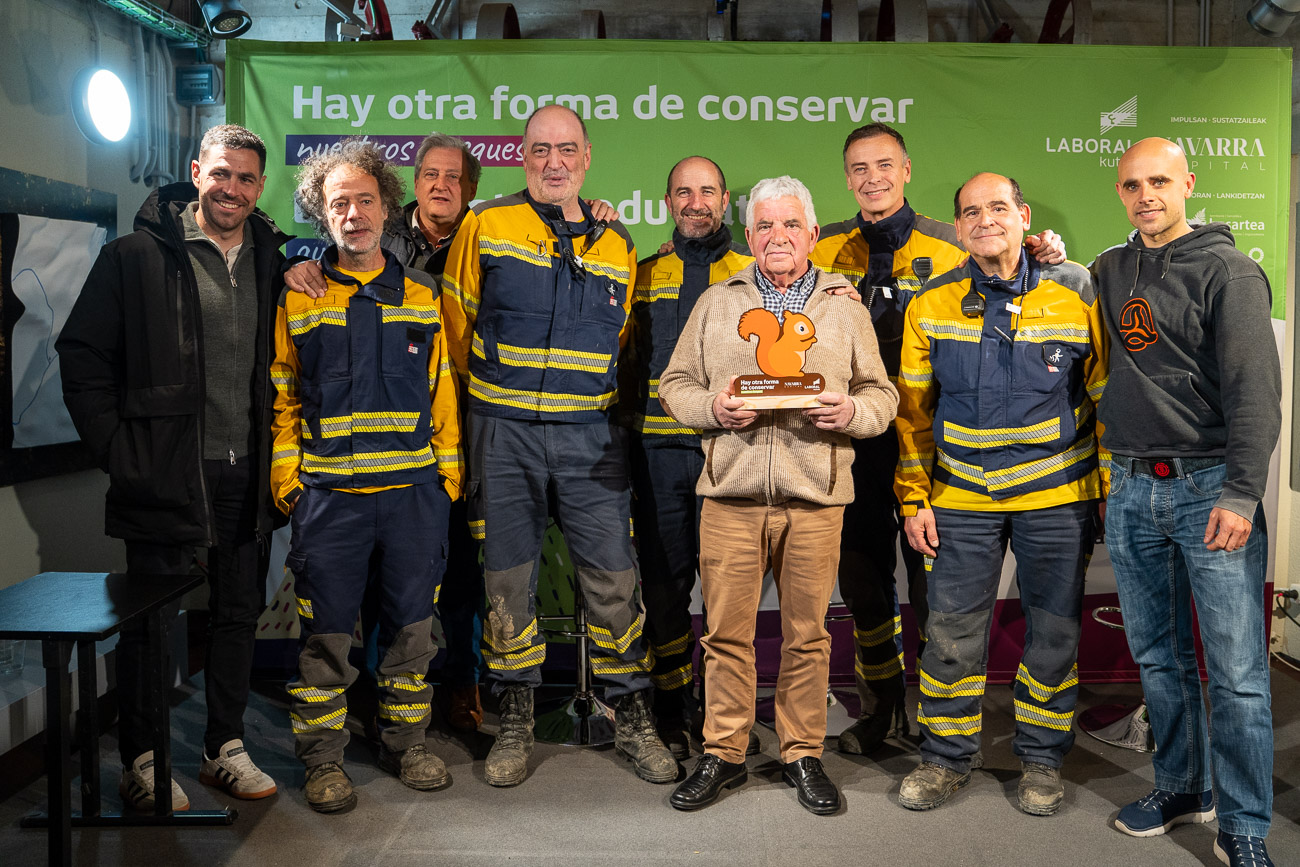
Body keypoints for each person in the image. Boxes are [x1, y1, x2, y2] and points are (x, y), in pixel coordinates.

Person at [810, 123, 1066, 756]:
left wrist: (1046, 251)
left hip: (935, 440)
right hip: (855, 440)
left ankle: (934, 711)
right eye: (859, 168)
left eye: (884, 165)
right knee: (864, 583)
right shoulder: (823, 249)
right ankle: (880, 709)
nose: (872, 178)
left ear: (906, 169)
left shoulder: (951, 240)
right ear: (847, 178)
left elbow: (1011, 266)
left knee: (935, 590)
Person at [442, 104, 675, 787]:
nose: (553, 161)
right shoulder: (485, 224)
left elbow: (624, 347)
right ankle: (513, 716)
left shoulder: (617, 243)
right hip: (505, 435)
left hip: (590, 438)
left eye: (566, 149)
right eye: (540, 148)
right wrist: (492, 404)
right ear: (523, 156)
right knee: (508, 580)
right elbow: (455, 325)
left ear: (586, 157)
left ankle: (631, 713)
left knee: (613, 580)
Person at [59, 124, 285, 810]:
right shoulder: (133, 257)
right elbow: (82, 357)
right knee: (151, 620)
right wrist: (120, 453)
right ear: (196, 172)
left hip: (248, 471)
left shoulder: (274, 259)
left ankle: (224, 747)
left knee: (237, 612)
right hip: (163, 472)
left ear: (259, 187)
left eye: (246, 179)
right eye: (221, 174)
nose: (232, 190)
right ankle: (146, 758)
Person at [658, 175, 897, 814]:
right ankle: (724, 752)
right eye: (764, 225)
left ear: (813, 235)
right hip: (731, 495)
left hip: (816, 498)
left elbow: (883, 396)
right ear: (752, 236)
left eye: (791, 225)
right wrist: (711, 406)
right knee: (725, 634)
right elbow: (674, 384)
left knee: (807, 634)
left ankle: (802, 752)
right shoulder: (716, 302)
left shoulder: (844, 306)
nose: (778, 236)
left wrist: (851, 411)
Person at [894, 172, 1107, 816]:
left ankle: (1042, 761)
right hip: (960, 495)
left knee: (1054, 631)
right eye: (969, 212)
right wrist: (913, 497)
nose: (984, 219)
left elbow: (1103, 394)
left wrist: (1103, 489)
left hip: (1057, 493)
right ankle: (945, 759)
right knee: (951, 631)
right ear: (957, 229)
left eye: (997, 207)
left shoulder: (1076, 290)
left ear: (1022, 215)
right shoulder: (930, 302)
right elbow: (912, 414)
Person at [1096, 138, 1280, 867]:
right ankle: (1181, 785)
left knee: (1236, 672)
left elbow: (1255, 393)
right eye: (1133, 184)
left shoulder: (1229, 271)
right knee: (1159, 656)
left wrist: (1242, 491)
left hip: (1210, 489)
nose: (1147, 195)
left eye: (1160, 181)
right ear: (1119, 192)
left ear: (1188, 184)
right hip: (1132, 484)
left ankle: (1242, 823)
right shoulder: (1111, 269)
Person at [271, 139, 462, 812]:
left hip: (413, 497)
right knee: (323, 639)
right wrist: (292, 487)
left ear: (388, 206)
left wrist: (447, 483)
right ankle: (322, 759)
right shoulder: (299, 295)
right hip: (329, 502)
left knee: (412, 631)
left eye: (365, 200)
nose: (354, 214)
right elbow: (283, 394)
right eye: (338, 203)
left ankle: (405, 741)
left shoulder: (421, 294)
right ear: (322, 217)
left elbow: (442, 392)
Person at [622, 156, 755, 758]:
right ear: (668, 202)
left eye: (707, 191)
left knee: (730, 595)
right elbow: (624, 371)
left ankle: (729, 720)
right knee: (667, 590)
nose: (695, 202)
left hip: (734, 454)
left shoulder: (756, 275)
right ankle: (676, 713)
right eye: (683, 192)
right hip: (660, 460)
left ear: (725, 200)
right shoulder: (643, 274)